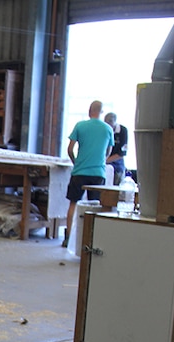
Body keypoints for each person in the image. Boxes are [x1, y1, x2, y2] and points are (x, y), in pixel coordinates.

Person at [63, 100, 114, 247]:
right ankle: (93, 239)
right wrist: (101, 161)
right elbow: (108, 151)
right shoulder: (108, 129)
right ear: (101, 112)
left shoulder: (80, 126)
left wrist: (76, 162)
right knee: (96, 206)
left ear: (89, 111)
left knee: (73, 203)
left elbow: (70, 149)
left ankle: (67, 237)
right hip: (98, 173)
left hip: (80, 171)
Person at [104, 112, 128, 185]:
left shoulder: (123, 130)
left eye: (110, 123)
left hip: (117, 165)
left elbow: (122, 153)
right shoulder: (104, 129)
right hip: (105, 164)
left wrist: (105, 160)